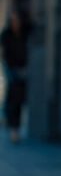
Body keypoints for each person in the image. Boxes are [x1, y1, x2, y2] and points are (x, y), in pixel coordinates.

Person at [1, 7, 30, 143]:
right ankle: (13, 128)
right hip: (11, 70)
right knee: (13, 99)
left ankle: (16, 127)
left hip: (24, 70)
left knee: (20, 100)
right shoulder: (6, 35)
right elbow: (3, 54)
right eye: (13, 20)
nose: (15, 23)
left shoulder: (25, 33)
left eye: (17, 19)